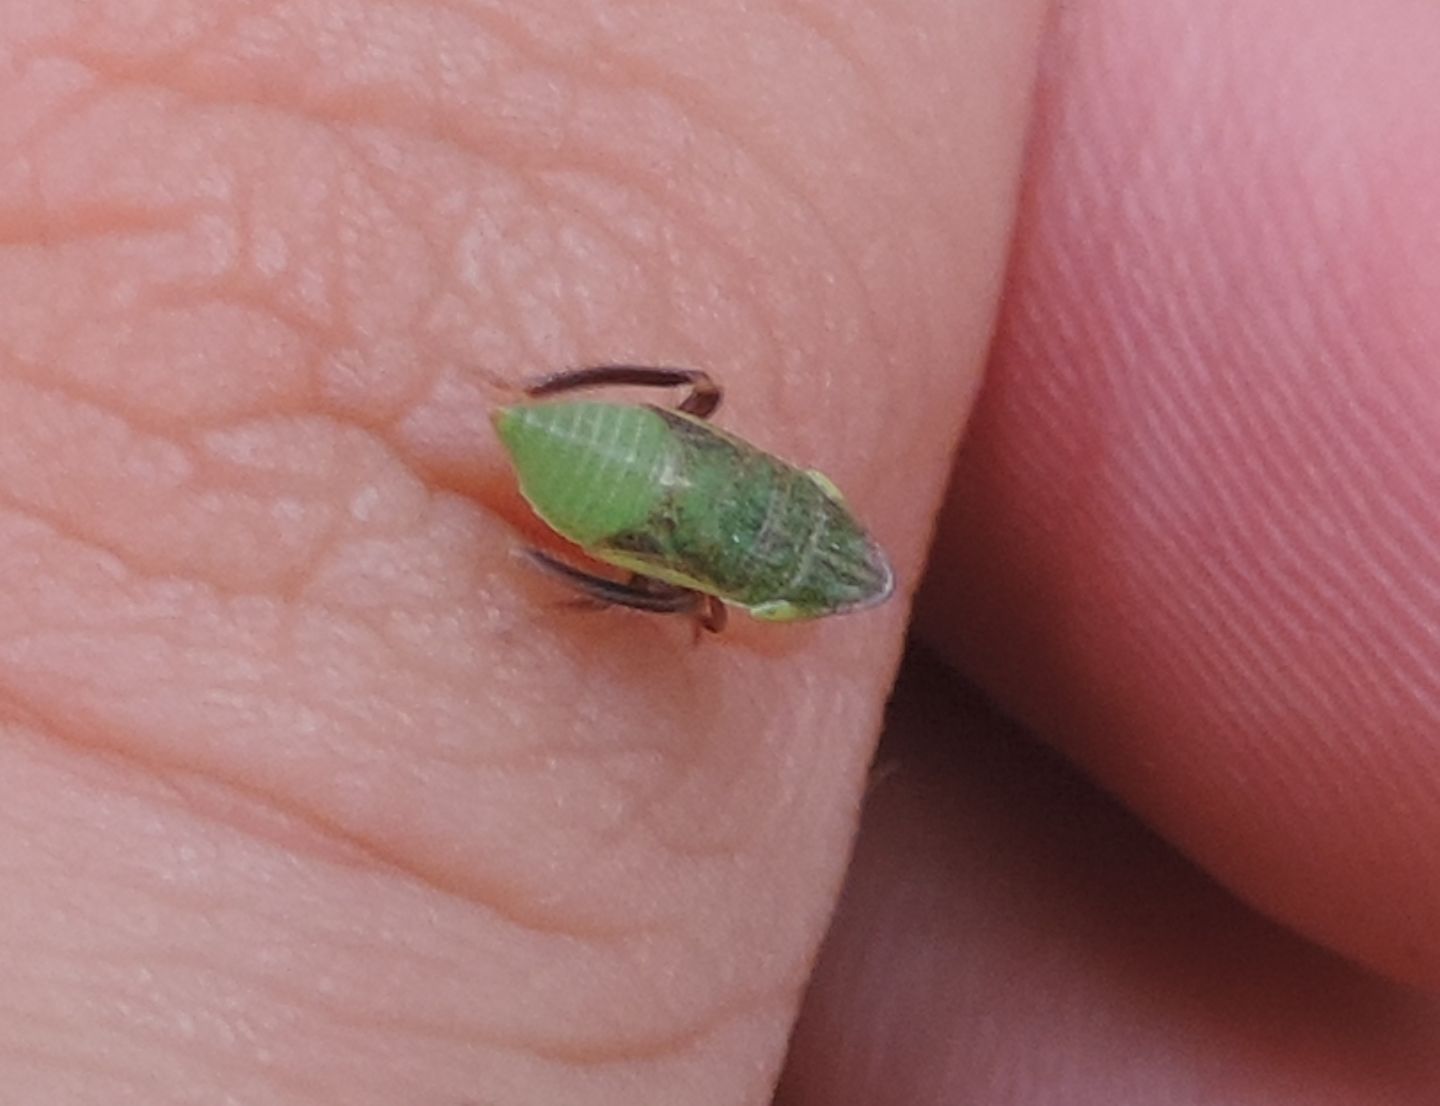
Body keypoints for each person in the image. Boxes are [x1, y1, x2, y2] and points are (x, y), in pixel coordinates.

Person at [1, 1, 1436, 1102]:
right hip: (633, 496)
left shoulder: (778, 518)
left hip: (657, 471)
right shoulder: (743, 590)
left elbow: (723, 503)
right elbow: (701, 593)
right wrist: (641, 586)